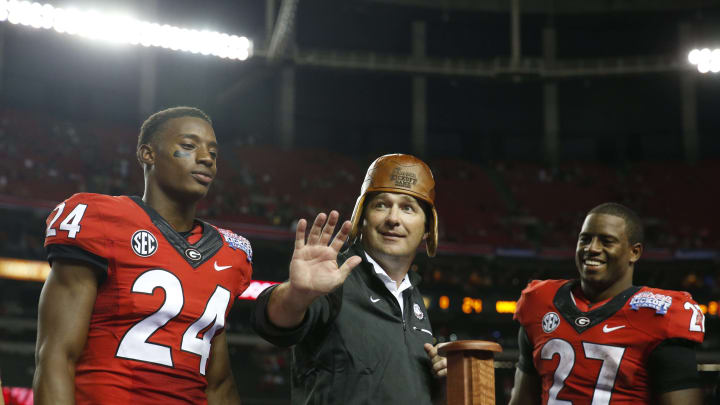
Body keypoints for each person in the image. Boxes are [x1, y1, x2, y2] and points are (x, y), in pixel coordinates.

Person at [33, 107, 252, 404]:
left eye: (213, 152)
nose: (206, 158)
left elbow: (219, 385)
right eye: (188, 146)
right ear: (147, 154)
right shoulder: (101, 219)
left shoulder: (231, 253)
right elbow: (56, 355)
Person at [251, 153, 447, 404]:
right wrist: (296, 295)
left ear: (427, 228)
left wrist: (442, 381)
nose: (393, 219)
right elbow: (273, 324)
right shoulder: (333, 277)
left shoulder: (414, 298)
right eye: (381, 205)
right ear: (361, 219)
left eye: (407, 208)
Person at [509, 203, 705, 405]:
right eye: (585, 239)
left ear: (634, 252)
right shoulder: (540, 302)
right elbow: (523, 399)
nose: (592, 248)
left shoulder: (661, 315)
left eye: (606, 241)